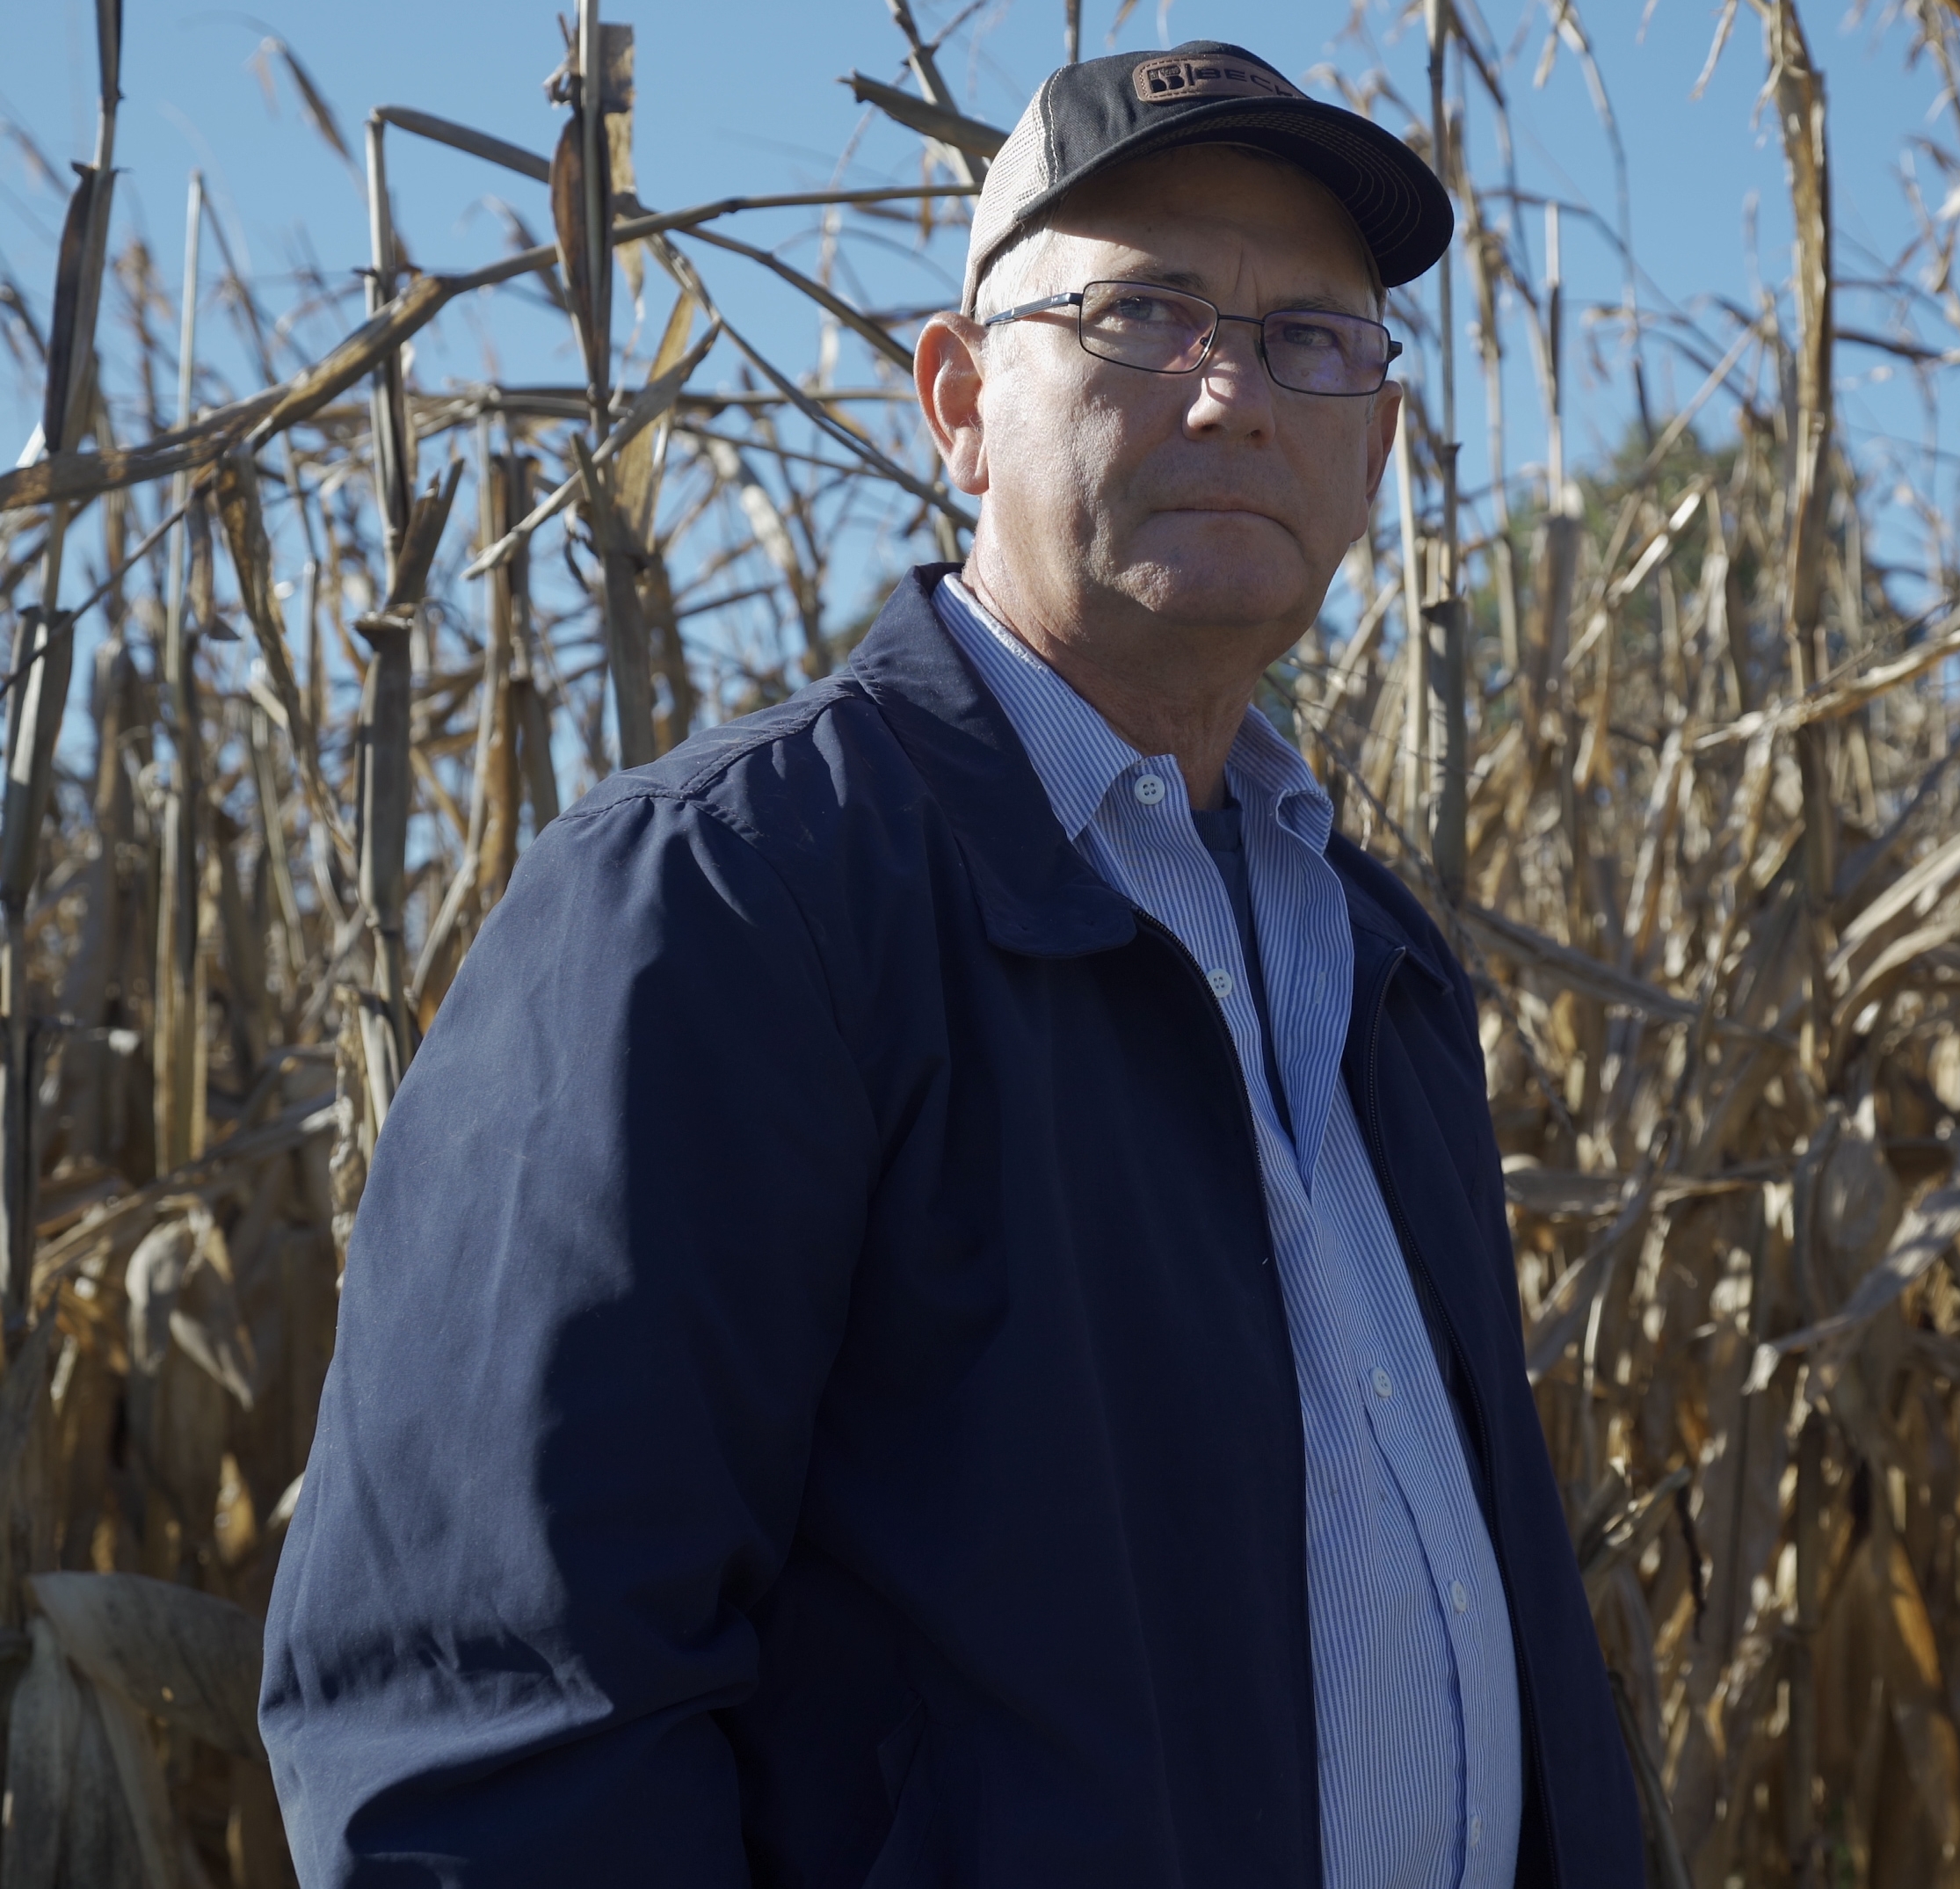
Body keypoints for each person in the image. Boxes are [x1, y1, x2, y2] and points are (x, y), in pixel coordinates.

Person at [262, 39, 1645, 1888]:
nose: (1232, 392)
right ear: (957, 399)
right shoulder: (724, 904)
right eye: (1143, 314)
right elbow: (495, 1723)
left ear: (1377, 440)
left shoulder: (1373, 958)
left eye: (1310, 337)